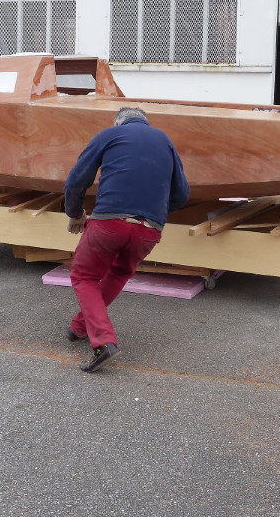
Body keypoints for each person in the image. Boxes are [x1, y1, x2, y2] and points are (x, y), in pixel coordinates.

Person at [63, 106, 190, 372]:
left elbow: (76, 180)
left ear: (119, 123)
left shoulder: (109, 135)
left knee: (84, 276)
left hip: (110, 222)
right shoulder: (165, 141)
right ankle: (80, 327)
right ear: (145, 122)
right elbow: (182, 193)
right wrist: (155, 215)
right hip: (149, 229)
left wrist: (75, 213)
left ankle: (103, 343)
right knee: (119, 273)